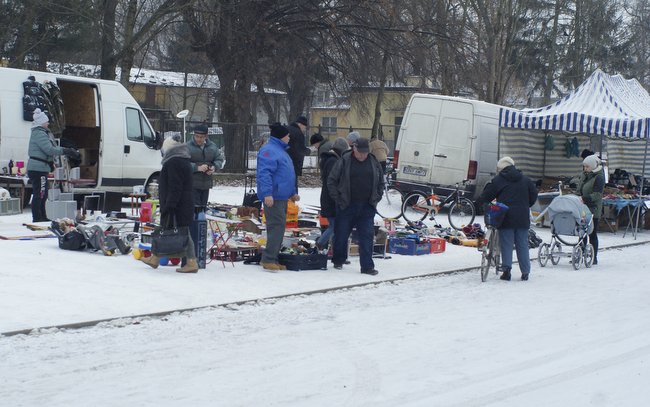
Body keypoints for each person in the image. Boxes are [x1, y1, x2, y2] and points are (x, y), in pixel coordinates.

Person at [327, 137, 384, 275]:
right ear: (354, 148)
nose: (362, 155)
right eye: (360, 152)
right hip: (347, 205)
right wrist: (339, 199)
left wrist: (377, 197)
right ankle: (338, 260)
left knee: (367, 237)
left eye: (365, 153)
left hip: (367, 206)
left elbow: (381, 182)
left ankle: (367, 267)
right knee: (341, 235)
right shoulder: (344, 161)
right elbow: (331, 181)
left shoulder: (373, 162)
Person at [142, 135, 199, 273]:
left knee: (173, 231)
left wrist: (169, 205)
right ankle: (156, 258)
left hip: (176, 204)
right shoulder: (183, 160)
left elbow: (175, 186)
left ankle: (190, 262)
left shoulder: (173, 162)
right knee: (170, 229)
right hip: (182, 203)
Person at [480, 157, 538, 281]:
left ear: (501, 168)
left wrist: (481, 203)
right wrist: (525, 205)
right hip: (522, 216)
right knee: (522, 243)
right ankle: (525, 272)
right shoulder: (525, 179)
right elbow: (534, 195)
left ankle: (507, 271)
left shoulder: (498, 180)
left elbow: (487, 195)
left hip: (505, 216)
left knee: (506, 243)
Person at [257, 123, 299, 271]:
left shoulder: (281, 151)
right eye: (287, 135)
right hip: (273, 197)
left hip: (281, 196)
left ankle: (272, 258)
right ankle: (268, 259)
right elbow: (265, 173)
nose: (289, 137)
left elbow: (287, 173)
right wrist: (267, 193)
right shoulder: (269, 151)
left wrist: (292, 192)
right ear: (281, 136)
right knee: (276, 227)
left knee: (279, 228)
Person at [26, 108, 80, 222]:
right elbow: (49, 149)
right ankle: (37, 218)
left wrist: (50, 163)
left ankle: (42, 216)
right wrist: (66, 150)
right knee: (40, 194)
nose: (48, 123)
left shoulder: (40, 132)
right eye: (46, 121)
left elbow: (46, 151)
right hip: (37, 169)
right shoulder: (39, 133)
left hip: (40, 168)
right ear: (41, 123)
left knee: (43, 194)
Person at [316, 137, 349, 251]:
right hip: (331, 199)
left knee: (335, 226)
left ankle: (335, 250)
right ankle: (320, 243)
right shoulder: (333, 161)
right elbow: (333, 182)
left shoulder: (330, 159)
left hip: (329, 197)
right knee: (335, 226)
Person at [187, 124, 224, 207]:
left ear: (206, 136)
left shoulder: (212, 146)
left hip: (206, 184)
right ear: (194, 135)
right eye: (197, 136)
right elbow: (183, 163)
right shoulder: (187, 147)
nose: (199, 139)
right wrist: (197, 168)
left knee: (202, 208)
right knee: (194, 209)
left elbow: (219, 159)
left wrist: (214, 167)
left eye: (201, 137)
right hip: (191, 184)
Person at [577, 154, 604, 265]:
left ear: (593, 166)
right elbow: (580, 188)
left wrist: (585, 198)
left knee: (591, 233)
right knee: (581, 231)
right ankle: (580, 254)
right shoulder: (584, 175)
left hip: (593, 208)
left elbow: (598, 194)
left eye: (587, 167)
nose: (585, 169)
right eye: (584, 166)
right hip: (582, 207)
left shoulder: (599, 177)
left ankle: (593, 257)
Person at [287, 115, 311, 185]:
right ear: (300, 124)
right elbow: (300, 149)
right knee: (292, 187)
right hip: (294, 164)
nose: (305, 129)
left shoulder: (287, 129)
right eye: (305, 126)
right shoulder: (298, 133)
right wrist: (308, 151)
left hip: (284, 163)